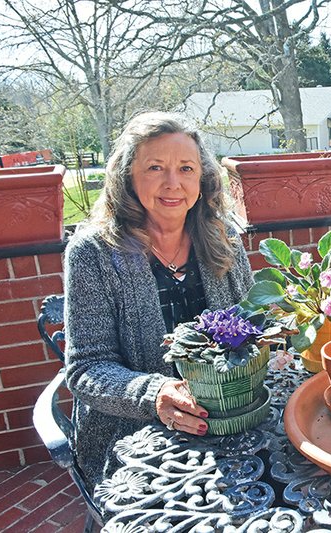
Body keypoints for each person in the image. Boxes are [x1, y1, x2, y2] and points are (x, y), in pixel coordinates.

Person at [63, 112, 253, 490]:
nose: (173, 183)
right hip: (136, 438)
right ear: (128, 176)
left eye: (186, 168)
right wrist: (155, 396)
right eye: (155, 167)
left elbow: (250, 326)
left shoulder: (223, 239)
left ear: (203, 179)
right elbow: (86, 369)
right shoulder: (93, 253)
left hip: (229, 415)